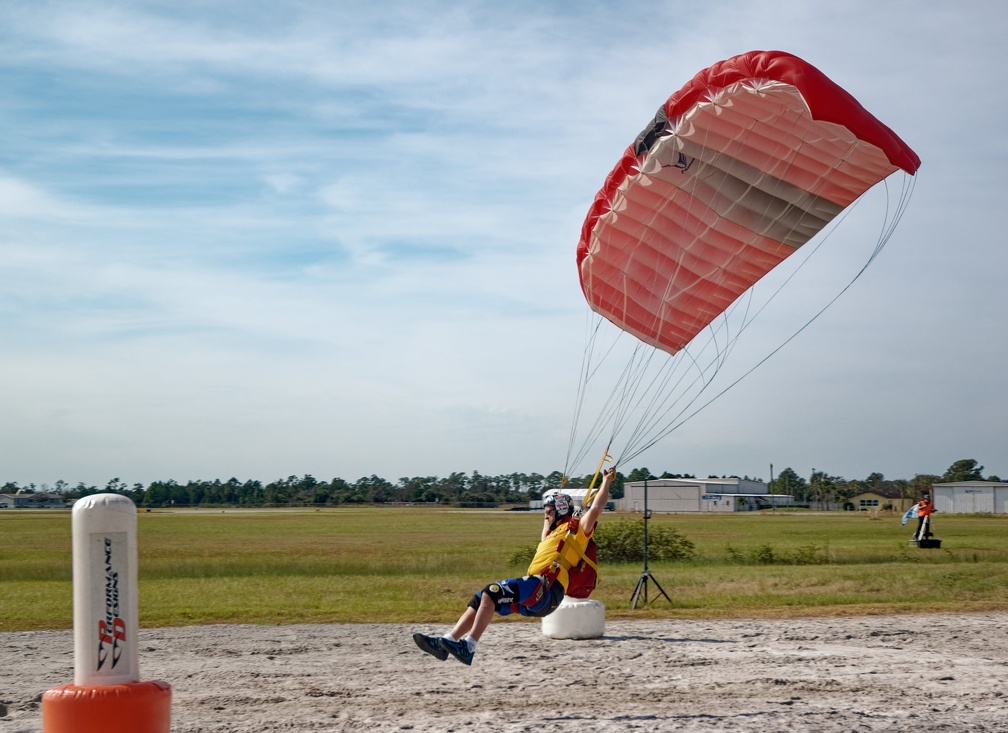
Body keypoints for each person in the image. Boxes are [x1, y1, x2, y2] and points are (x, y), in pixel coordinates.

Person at [412, 468, 615, 665]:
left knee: (492, 591)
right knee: (480, 598)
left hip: (546, 590)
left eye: (549, 511)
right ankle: (448, 641)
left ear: (560, 510)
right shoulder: (551, 535)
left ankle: (469, 646)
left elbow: (596, 509)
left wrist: (605, 482)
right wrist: (554, 497)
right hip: (535, 595)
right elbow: (545, 528)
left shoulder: (577, 531)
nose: (545, 515)